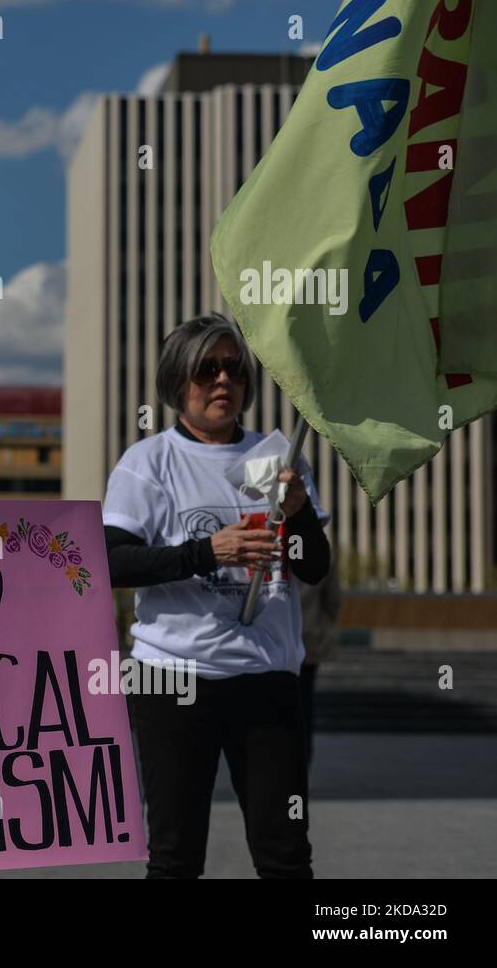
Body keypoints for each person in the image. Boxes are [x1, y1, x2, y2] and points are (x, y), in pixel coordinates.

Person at [103, 312, 330, 879]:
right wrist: (208, 552)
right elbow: (110, 561)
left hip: (268, 678)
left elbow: (314, 568)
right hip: (173, 678)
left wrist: (298, 515)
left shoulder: (274, 460)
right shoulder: (149, 463)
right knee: (176, 857)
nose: (223, 381)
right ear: (177, 381)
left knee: (285, 855)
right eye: (207, 369)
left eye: (234, 369)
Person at [298, 544, 341, 767]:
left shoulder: (272, 543)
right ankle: (302, 766)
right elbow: (333, 600)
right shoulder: (323, 551)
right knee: (304, 707)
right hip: (308, 637)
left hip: (272, 641)